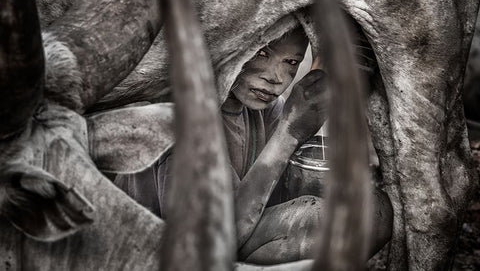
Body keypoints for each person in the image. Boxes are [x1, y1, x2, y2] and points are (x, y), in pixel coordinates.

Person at [115, 24, 392, 264]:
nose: (276, 77)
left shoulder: (264, 108)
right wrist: (289, 133)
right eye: (262, 53)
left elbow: (277, 193)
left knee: (371, 213)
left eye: (291, 62)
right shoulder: (178, 113)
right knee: (319, 222)